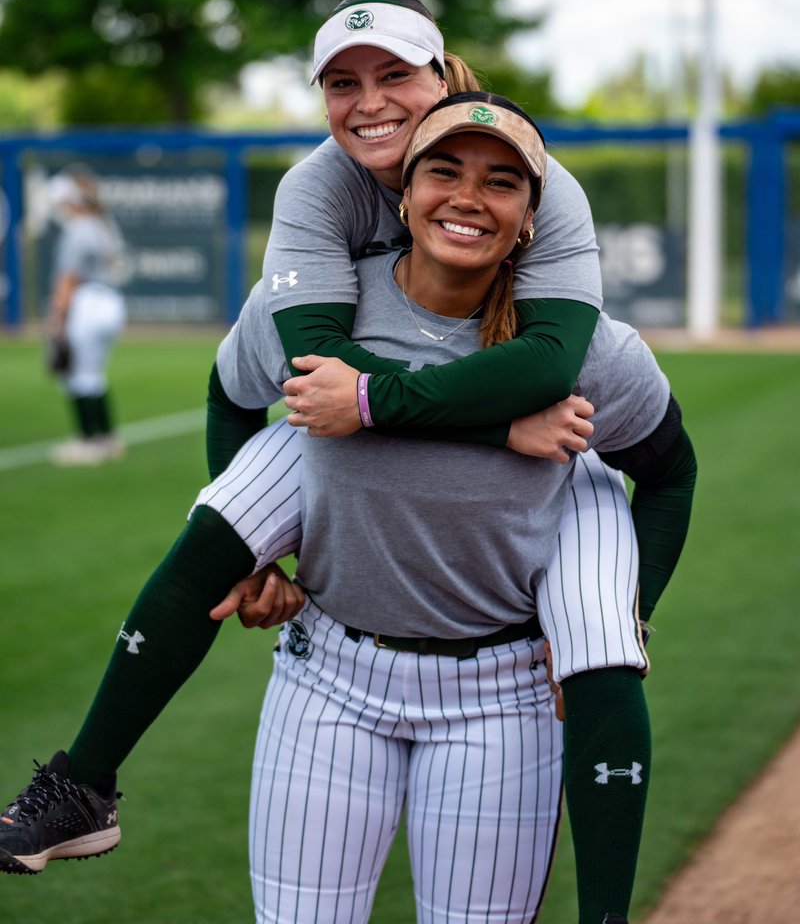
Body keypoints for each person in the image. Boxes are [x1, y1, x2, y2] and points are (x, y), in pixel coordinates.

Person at [0, 95, 695, 924]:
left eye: (501, 182)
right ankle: (84, 784)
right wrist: (258, 562)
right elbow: (231, 397)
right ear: (401, 194)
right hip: (329, 681)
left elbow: (670, 473)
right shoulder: (321, 308)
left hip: (501, 698)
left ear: (531, 220)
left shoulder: (594, 351)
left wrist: (634, 609)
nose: (469, 196)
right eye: (443, 170)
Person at [44, 165, 127, 466]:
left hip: (87, 303)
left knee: (79, 376)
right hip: (111, 302)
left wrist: (57, 316)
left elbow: (68, 278)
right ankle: (107, 438)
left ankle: (90, 441)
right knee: (93, 373)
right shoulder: (104, 224)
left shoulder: (77, 229)